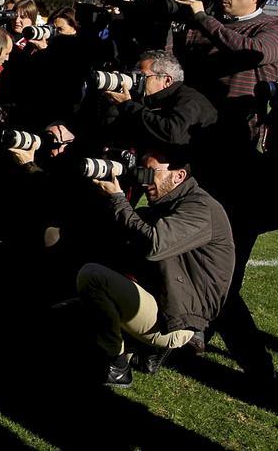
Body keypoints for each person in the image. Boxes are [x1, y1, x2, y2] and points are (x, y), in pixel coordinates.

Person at [173, 0, 278, 381]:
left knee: (229, 247)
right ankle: (193, 328)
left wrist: (202, 17)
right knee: (185, 237)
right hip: (196, 146)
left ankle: (241, 353)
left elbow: (254, 54)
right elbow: (177, 62)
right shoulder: (207, 24)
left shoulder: (275, 26)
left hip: (239, 152)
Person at [78, 150, 235, 386]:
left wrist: (119, 200)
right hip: (166, 301)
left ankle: (118, 364)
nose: (144, 180)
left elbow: (155, 245)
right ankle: (142, 349)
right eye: (142, 173)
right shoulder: (171, 203)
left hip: (178, 320)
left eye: (151, 173)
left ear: (179, 176)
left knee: (92, 277)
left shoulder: (200, 208)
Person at [100, 50, 218, 151]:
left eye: (141, 77)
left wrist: (129, 106)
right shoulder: (151, 100)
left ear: (167, 81)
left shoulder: (189, 99)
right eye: (134, 76)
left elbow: (172, 132)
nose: (136, 81)